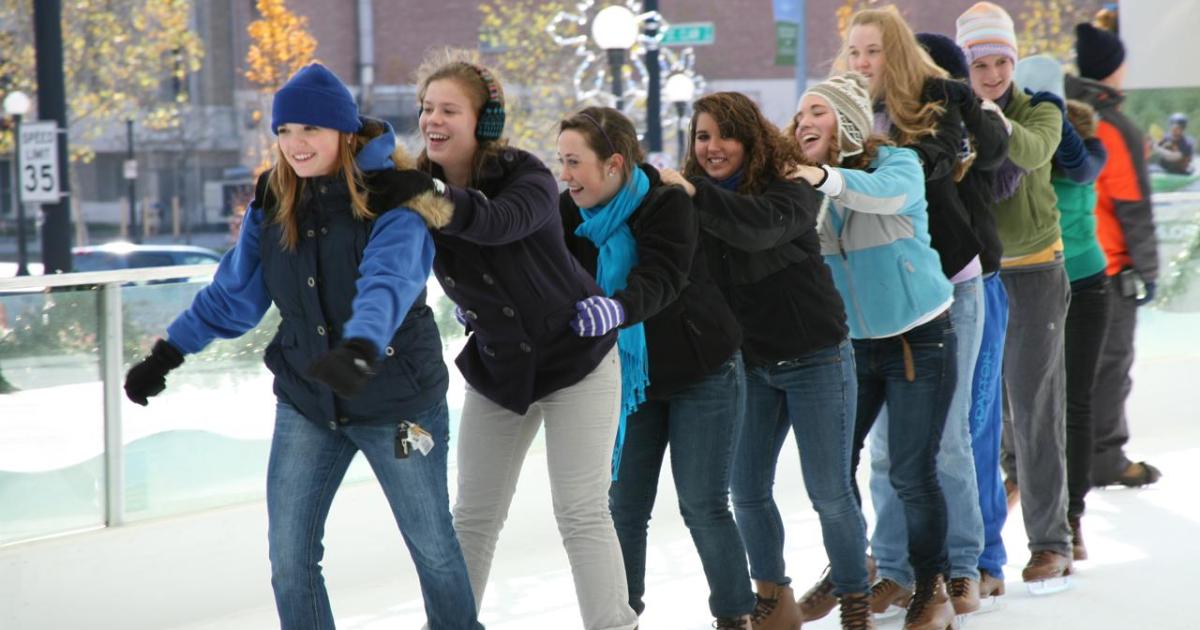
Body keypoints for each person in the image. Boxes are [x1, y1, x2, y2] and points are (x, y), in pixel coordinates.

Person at [121, 63, 482, 629]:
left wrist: (361, 345)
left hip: (397, 405)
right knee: (290, 562)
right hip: (308, 401)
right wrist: (167, 353)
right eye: (285, 132)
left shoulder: (394, 196)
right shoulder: (274, 197)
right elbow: (233, 296)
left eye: (310, 130)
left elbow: (388, 283)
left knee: (432, 547)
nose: (295, 144)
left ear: (342, 132)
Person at [413, 50, 639, 630]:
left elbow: (492, 223)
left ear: (484, 121)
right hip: (500, 368)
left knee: (581, 511)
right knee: (473, 516)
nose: (432, 120)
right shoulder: (415, 185)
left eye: (449, 110)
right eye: (426, 109)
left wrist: (408, 188)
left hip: (576, 361)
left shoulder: (529, 176)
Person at [661, 91, 871, 630]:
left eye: (724, 135)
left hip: (816, 357)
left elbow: (757, 229)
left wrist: (695, 196)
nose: (712, 148)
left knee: (828, 490)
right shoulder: (692, 198)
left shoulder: (790, 186)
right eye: (702, 136)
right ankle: (773, 598)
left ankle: (854, 596)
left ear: (750, 138)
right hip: (747, 366)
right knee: (747, 491)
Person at [556, 106, 755, 630]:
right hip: (626, 379)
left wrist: (618, 307)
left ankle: (736, 617)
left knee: (703, 504)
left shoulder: (666, 202)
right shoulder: (565, 213)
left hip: (702, 370)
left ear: (614, 163)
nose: (566, 174)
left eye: (575, 162)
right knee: (623, 508)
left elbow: (662, 276)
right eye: (562, 162)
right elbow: (536, 273)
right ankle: (625, 617)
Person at [832, 9, 994, 619]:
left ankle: (961, 567)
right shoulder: (839, 119)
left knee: (944, 441)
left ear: (895, 55)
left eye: (873, 51)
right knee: (882, 449)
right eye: (854, 52)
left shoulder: (931, 109)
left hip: (948, 286)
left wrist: (877, 163)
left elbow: (932, 167)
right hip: (878, 307)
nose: (863, 63)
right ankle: (895, 568)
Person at [792, 72, 958, 630]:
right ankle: (851, 571)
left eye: (815, 111)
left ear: (845, 120)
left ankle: (931, 587)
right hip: (851, 350)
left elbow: (882, 196)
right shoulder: (806, 189)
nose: (802, 122)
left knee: (911, 473)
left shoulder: (898, 165)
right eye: (797, 118)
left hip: (919, 338)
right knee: (834, 472)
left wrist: (820, 177)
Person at [957, 1, 1073, 594]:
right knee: (982, 417)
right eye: (981, 64)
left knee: (1033, 409)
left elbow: (1027, 152)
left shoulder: (1040, 113)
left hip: (1033, 273)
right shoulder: (951, 117)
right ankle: (978, 553)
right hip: (974, 280)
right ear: (966, 65)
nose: (994, 73)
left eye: (1002, 61)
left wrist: (980, 116)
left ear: (1014, 61)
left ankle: (1052, 542)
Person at [918, 30, 1014, 609]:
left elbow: (1003, 168)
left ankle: (983, 557)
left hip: (978, 283)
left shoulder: (977, 122)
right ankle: (913, 556)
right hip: (916, 289)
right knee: (914, 436)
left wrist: (963, 108)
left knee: (973, 422)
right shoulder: (902, 125)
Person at [1065, 24, 1162, 489]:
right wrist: (1150, 270)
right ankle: (1104, 457)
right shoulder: (1112, 125)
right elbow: (1133, 207)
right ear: (1116, 69)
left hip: (1061, 265)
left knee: (1065, 368)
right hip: (1106, 268)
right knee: (1109, 364)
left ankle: (1063, 460)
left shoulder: (1063, 110)